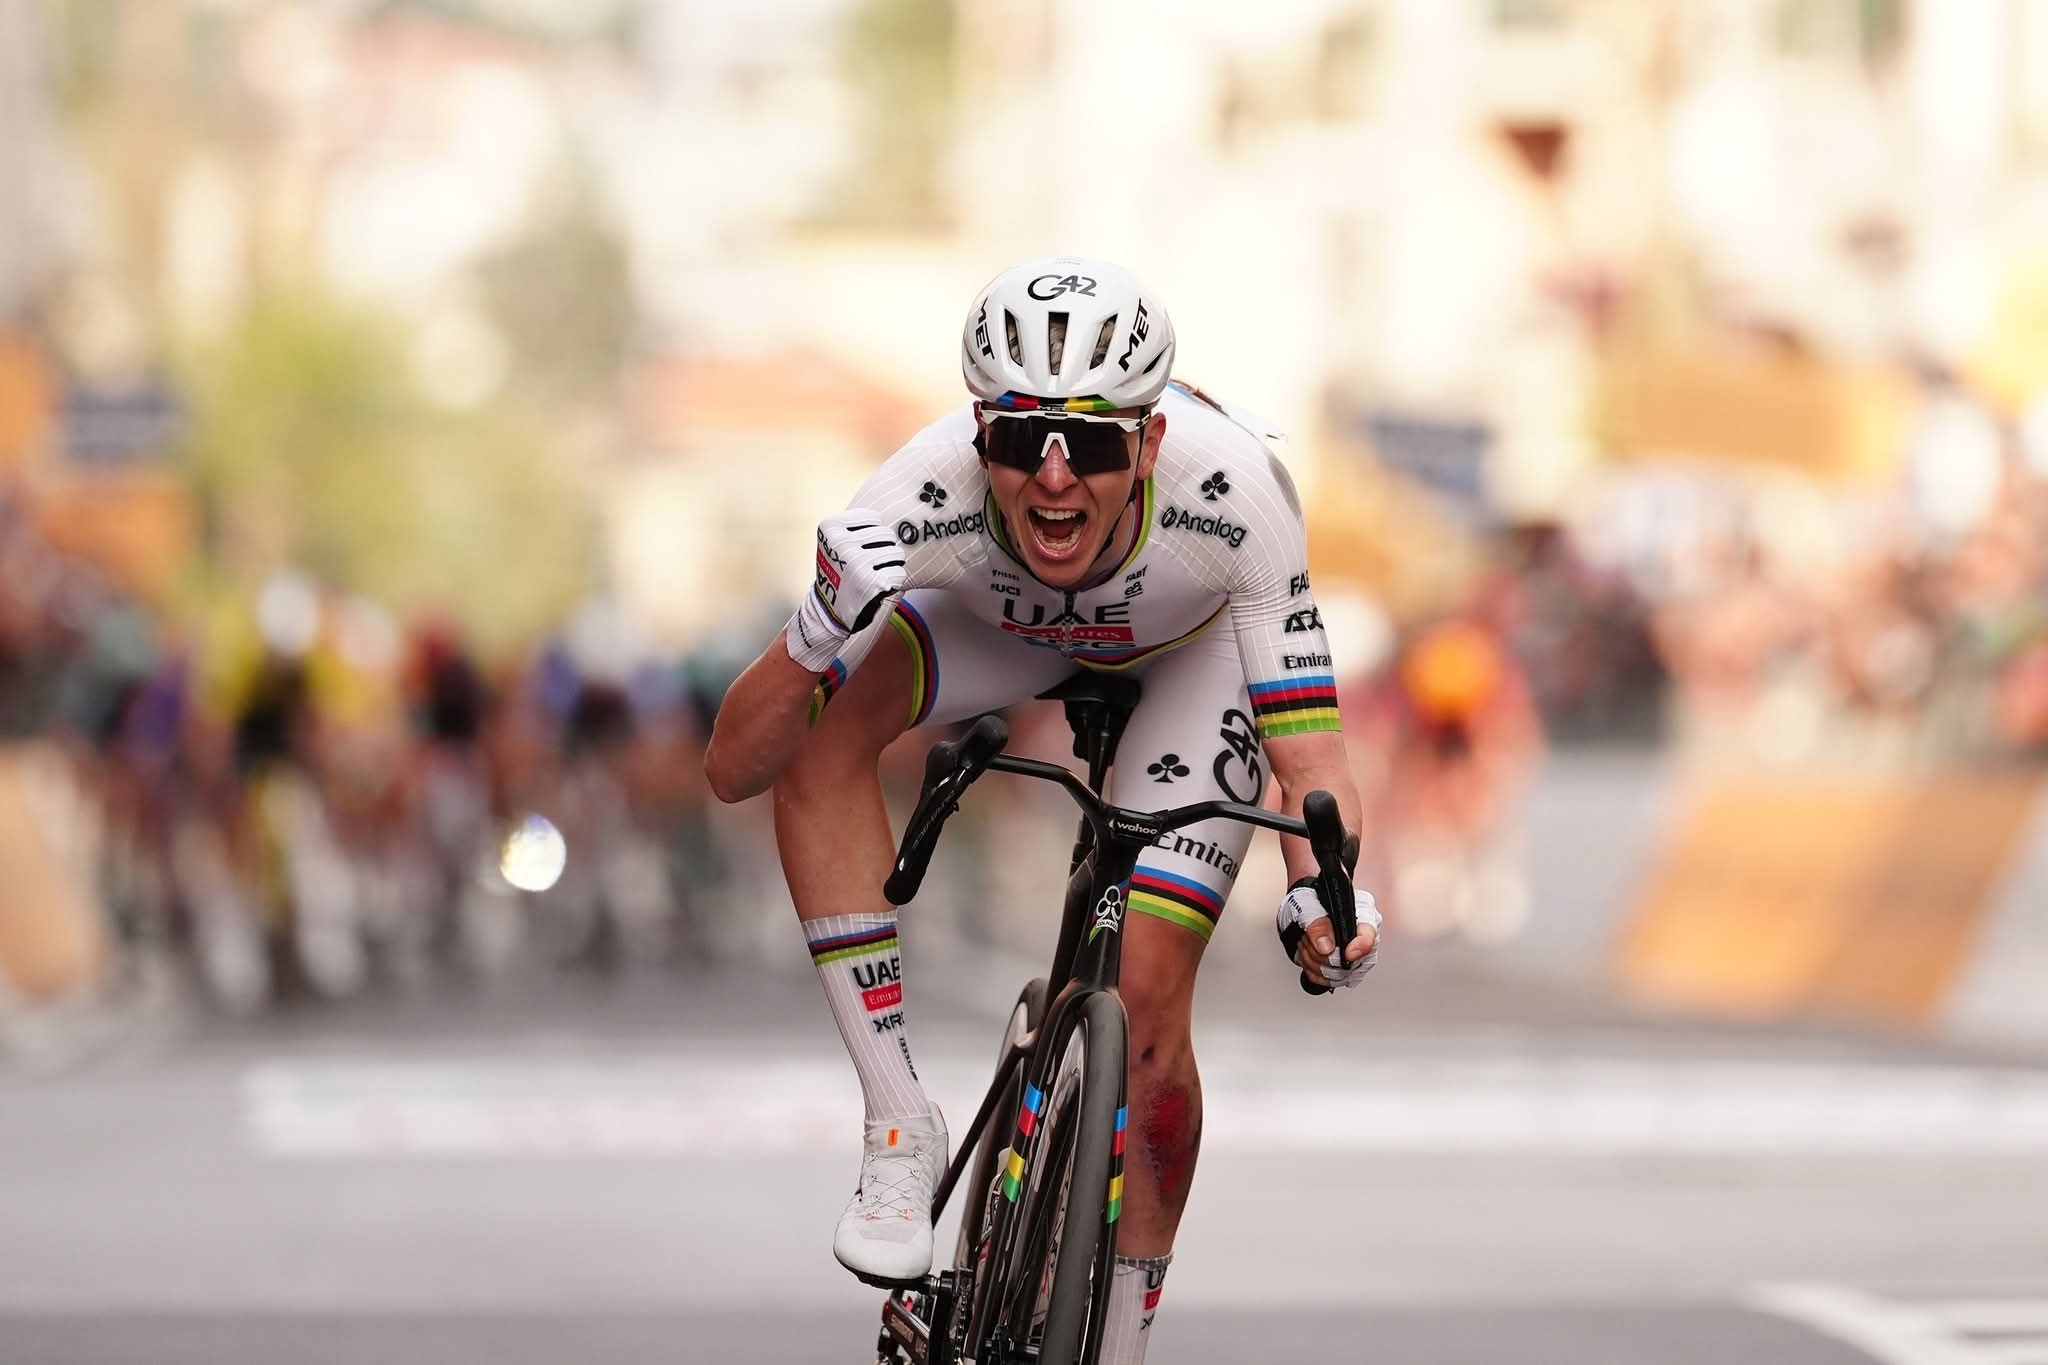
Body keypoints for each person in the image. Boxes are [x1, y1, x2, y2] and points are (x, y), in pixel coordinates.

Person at [704, 256, 1379, 1363]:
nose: (1055, 479)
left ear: (1150, 445)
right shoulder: (914, 497)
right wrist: (812, 635)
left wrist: (1326, 891)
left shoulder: (1236, 495)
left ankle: (1118, 1339)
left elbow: (1309, 753)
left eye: (1094, 446)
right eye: (1022, 441)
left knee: (1146, 999)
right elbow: (735, 767)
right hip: (1000, 629)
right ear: (980, 438)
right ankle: (898, 1123)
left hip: (1187, 652)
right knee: (820, 736)